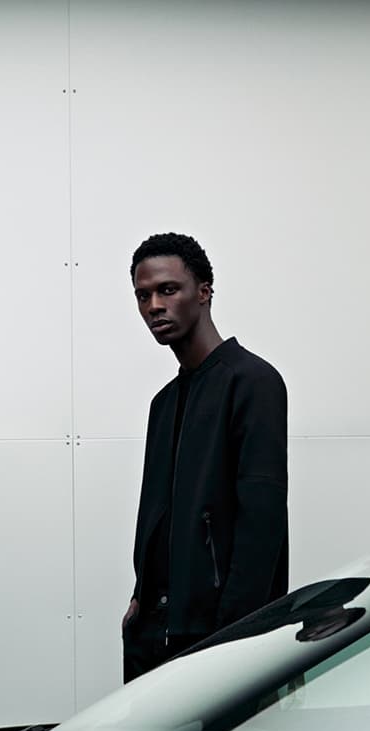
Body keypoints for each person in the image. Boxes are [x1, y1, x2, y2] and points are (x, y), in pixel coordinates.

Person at [122, 232, 288, 683]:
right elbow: (159, 515)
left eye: (168, 290)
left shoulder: (252, 382)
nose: (154, 305)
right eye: (143, 295)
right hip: (154, 638)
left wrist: (232, 636)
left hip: (220, 640)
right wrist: (139, 603)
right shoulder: (164, 403)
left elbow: (262, 525)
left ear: (204, 292)